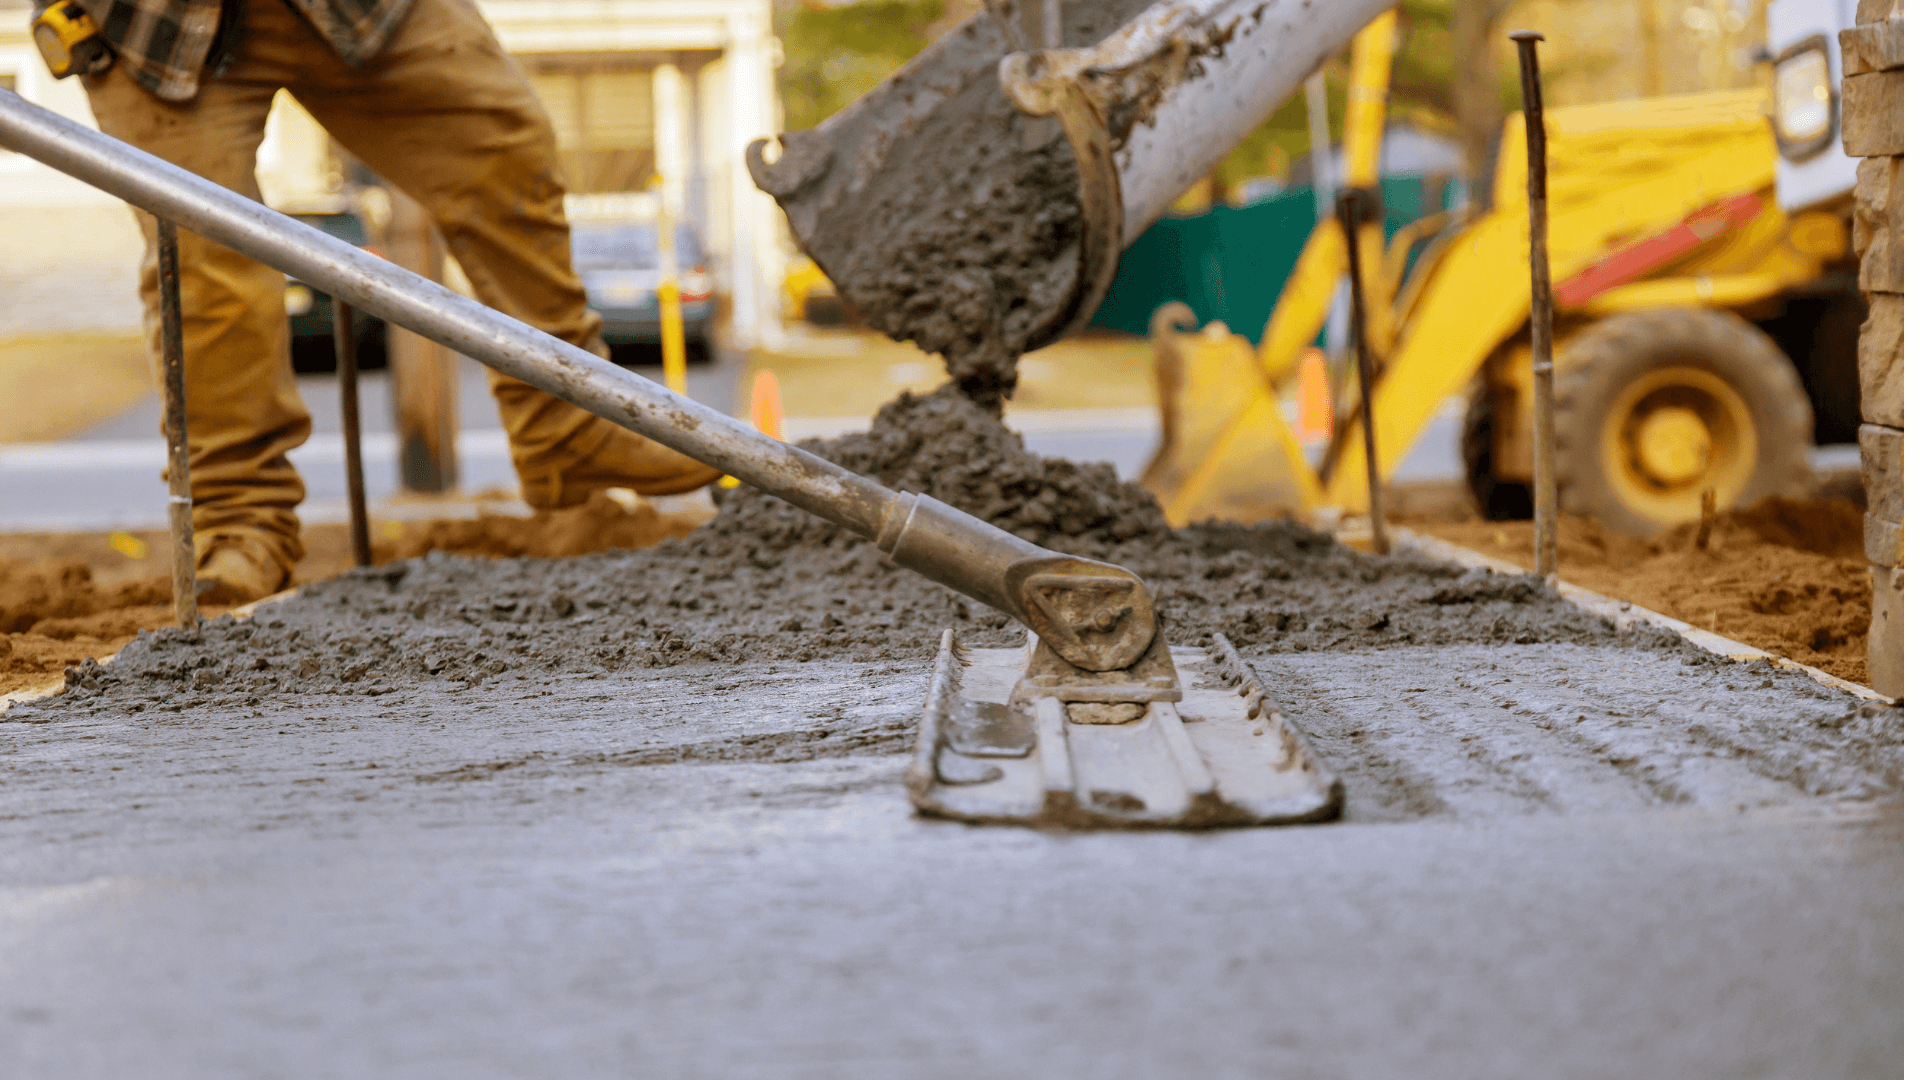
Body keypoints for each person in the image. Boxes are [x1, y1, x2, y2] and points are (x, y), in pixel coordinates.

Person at [35, 0, 721, 602]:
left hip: (362, 8)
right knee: (205, 261)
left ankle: (571, 430)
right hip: (155, 21)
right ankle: (238, 522)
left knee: (502, 146)